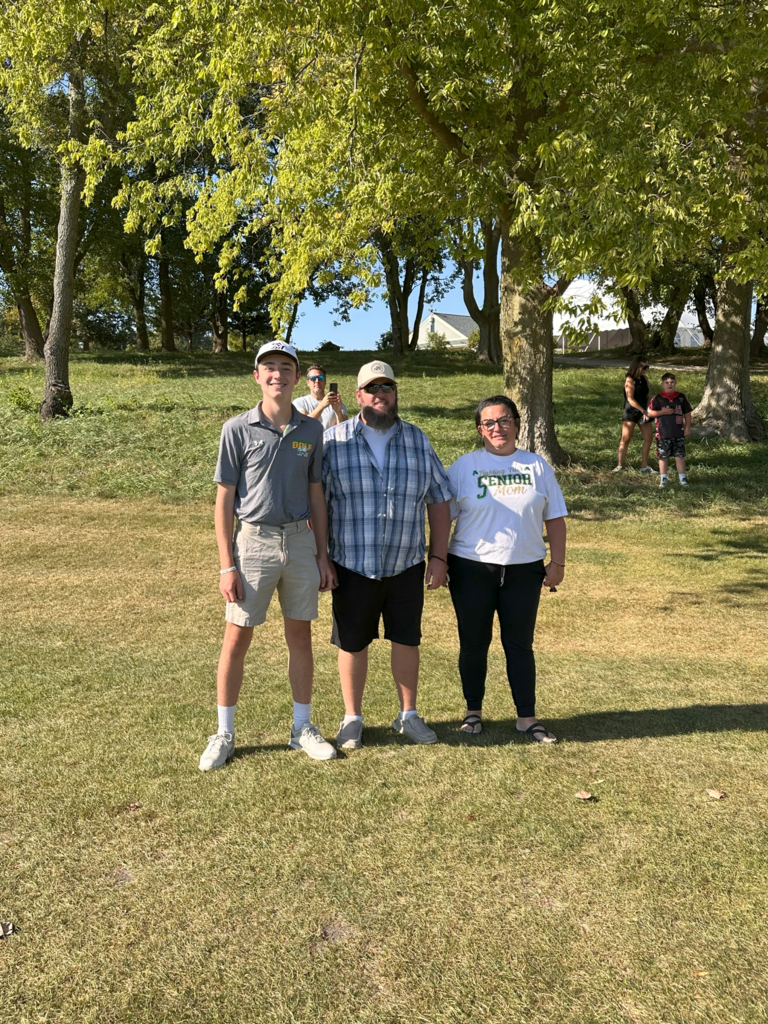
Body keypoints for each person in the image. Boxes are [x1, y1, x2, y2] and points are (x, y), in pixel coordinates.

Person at [199, 341, 338, 771]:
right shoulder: (236, 429)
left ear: (297, 377)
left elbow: (316, 494)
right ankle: (224, 733)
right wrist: (226, 564)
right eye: (269, 367)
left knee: (300, 636)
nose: (278, 374)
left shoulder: (311, 430)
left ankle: (302, 728)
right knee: (237, 638)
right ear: (257, 376)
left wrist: (322, 554)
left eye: (286, 367)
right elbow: (224, 500)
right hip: (252, 543)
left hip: (299, 542)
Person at [322, 359, 453, 750]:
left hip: (406, 563)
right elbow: (317, 505)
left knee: (407, 640)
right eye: (372, 388)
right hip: (351, 563)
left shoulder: (417, 440)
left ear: (395, 393)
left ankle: (408, 715)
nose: (380, 394)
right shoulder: (333, 442)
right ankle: (352, 718)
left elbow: (439, 499)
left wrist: (439, 556)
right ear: (358, 395)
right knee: (352, 643)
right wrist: (321, 558)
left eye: (387, 387)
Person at [446, 395, 567, 743]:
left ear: (516, 424)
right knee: (473, 643)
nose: (497, 428)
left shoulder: (537, 466)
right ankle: (473, 712)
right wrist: (438, 558)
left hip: (524, 569)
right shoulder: (463, 467)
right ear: (479, 429)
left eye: (504, 420)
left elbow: (555, 518)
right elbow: (442, 516)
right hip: (471, 567)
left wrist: (557, 562)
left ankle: (527, 718)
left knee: (520, 644)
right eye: (488, 423)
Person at [647, 372, 692, 489]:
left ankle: (682, 479)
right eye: (666, 382)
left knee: (679, 455)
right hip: (663, 433)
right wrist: (663, 412)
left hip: (678, 432)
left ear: (675, 383)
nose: (670, 384)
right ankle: (663, 479)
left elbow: (687, 413)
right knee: (663, 456)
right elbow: (649, 413)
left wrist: (687, 427)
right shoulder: (658, 398)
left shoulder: (681, 397)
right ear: (662, 384)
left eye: (672, 382)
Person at [613, 357, 655, 473]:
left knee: (649, 437)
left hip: (644, 412)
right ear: (637, 367)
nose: (646, 369)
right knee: (626, 438)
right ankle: (619, 465)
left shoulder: (644, 379)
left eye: (647, 367)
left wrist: (647, 410)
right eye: (644, 367)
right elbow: (630, 399)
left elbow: (648, 396)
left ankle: (644, 466)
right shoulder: (630, 380)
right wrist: (642, 410)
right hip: (631, 412)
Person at [293, 363, 349, 429]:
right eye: (313, 378)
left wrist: (338, 412)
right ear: (308, 382)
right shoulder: (300, 402)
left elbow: (344, 429)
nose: (317, 381)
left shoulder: (337, 403)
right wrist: (322, 405)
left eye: (320, 378)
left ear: (325, 381)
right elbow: (303, 426)